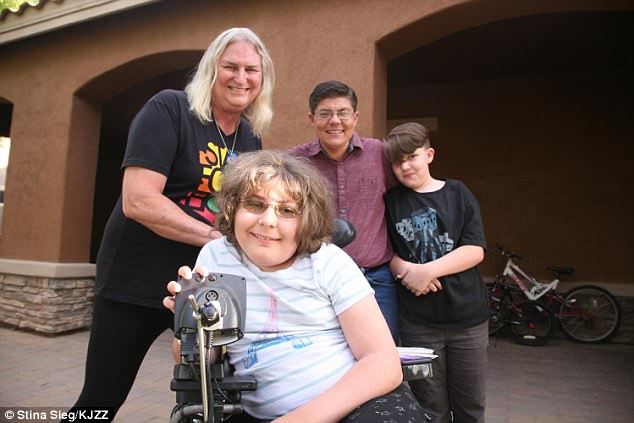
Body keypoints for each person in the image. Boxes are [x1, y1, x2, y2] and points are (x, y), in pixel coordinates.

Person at [66, 27, 275, 421]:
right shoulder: (170, 109)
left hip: (203, 284)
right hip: (135, 280)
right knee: (101, 399)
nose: (241, 78)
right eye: (230, 66)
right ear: (211, 69)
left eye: (251, 70)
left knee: (211, 395)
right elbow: (139, 200)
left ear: (263, 79)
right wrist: (216, 237)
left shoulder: (250, 137)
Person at [164, 150, 428, 423]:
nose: (268, 220)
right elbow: (200, 363)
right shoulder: (217, 257)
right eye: (255, 204)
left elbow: (383, 363)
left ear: (306, 221)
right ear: (233, 208)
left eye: (287, 210)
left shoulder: (328, 262)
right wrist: (191, 328)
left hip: (357, 404)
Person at [383, 122, 489, 423]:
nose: (405, 166)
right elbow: (384, 251)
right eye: (398, 161)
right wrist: (406, 271)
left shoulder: (457, 193)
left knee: (470, 407)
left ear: (429, 155)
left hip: (467, 321)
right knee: (429, 408)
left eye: (412, 157)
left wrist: (426, 272)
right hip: (418, 324)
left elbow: (475, 249)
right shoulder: (391, 202)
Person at [288, 80, 400, 342]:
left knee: (384, 350)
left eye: (343, 113)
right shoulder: (295, 162)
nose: (335, 121)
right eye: (325, 113)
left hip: (376, 279)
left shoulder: (380, 154)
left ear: (355, 117)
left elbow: (405, 198)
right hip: (316, 281)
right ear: (312, 118)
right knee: (327, 351)